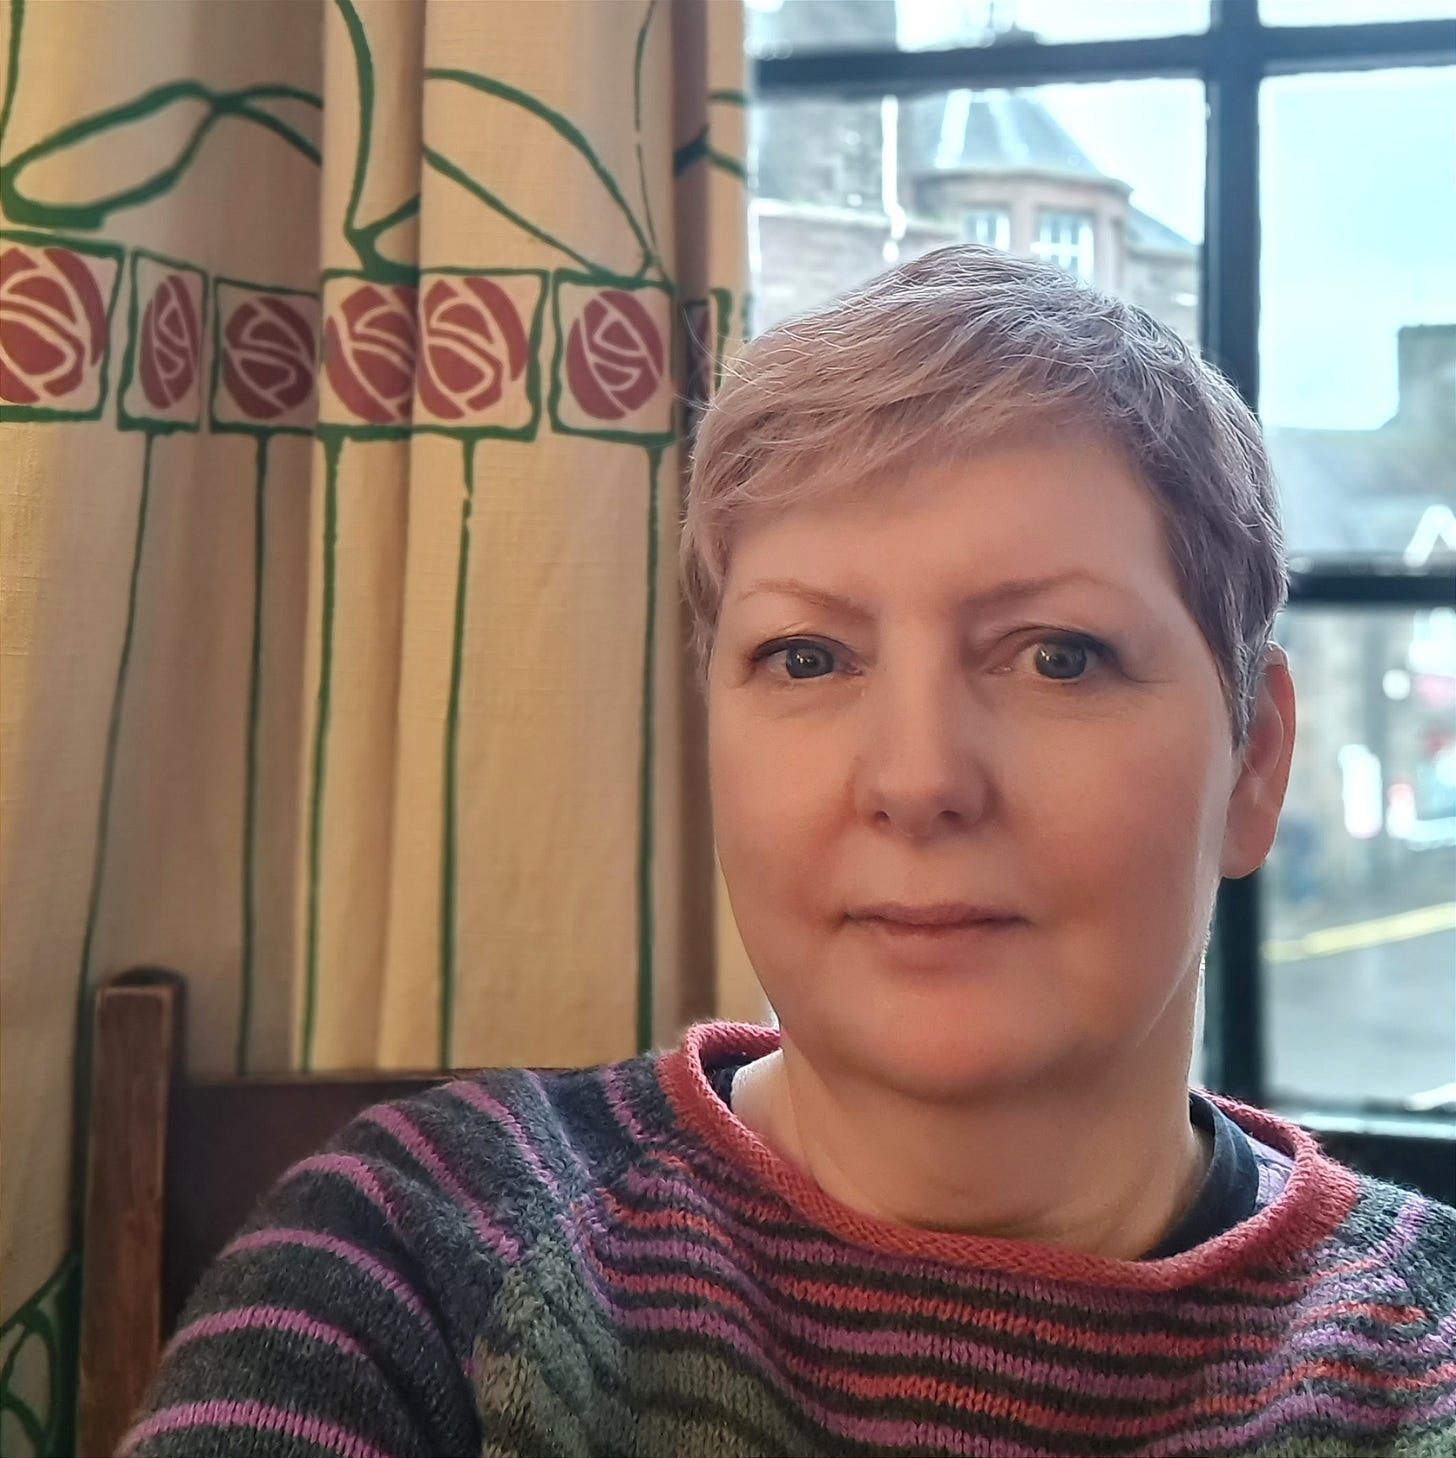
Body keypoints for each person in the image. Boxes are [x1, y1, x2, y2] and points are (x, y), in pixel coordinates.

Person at [122, 246, 1456, 1457]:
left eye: (1059, 655)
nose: (918, 780)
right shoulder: (424, 1251)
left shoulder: (1421, 1356)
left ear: (1255, 759)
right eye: (807, 656)